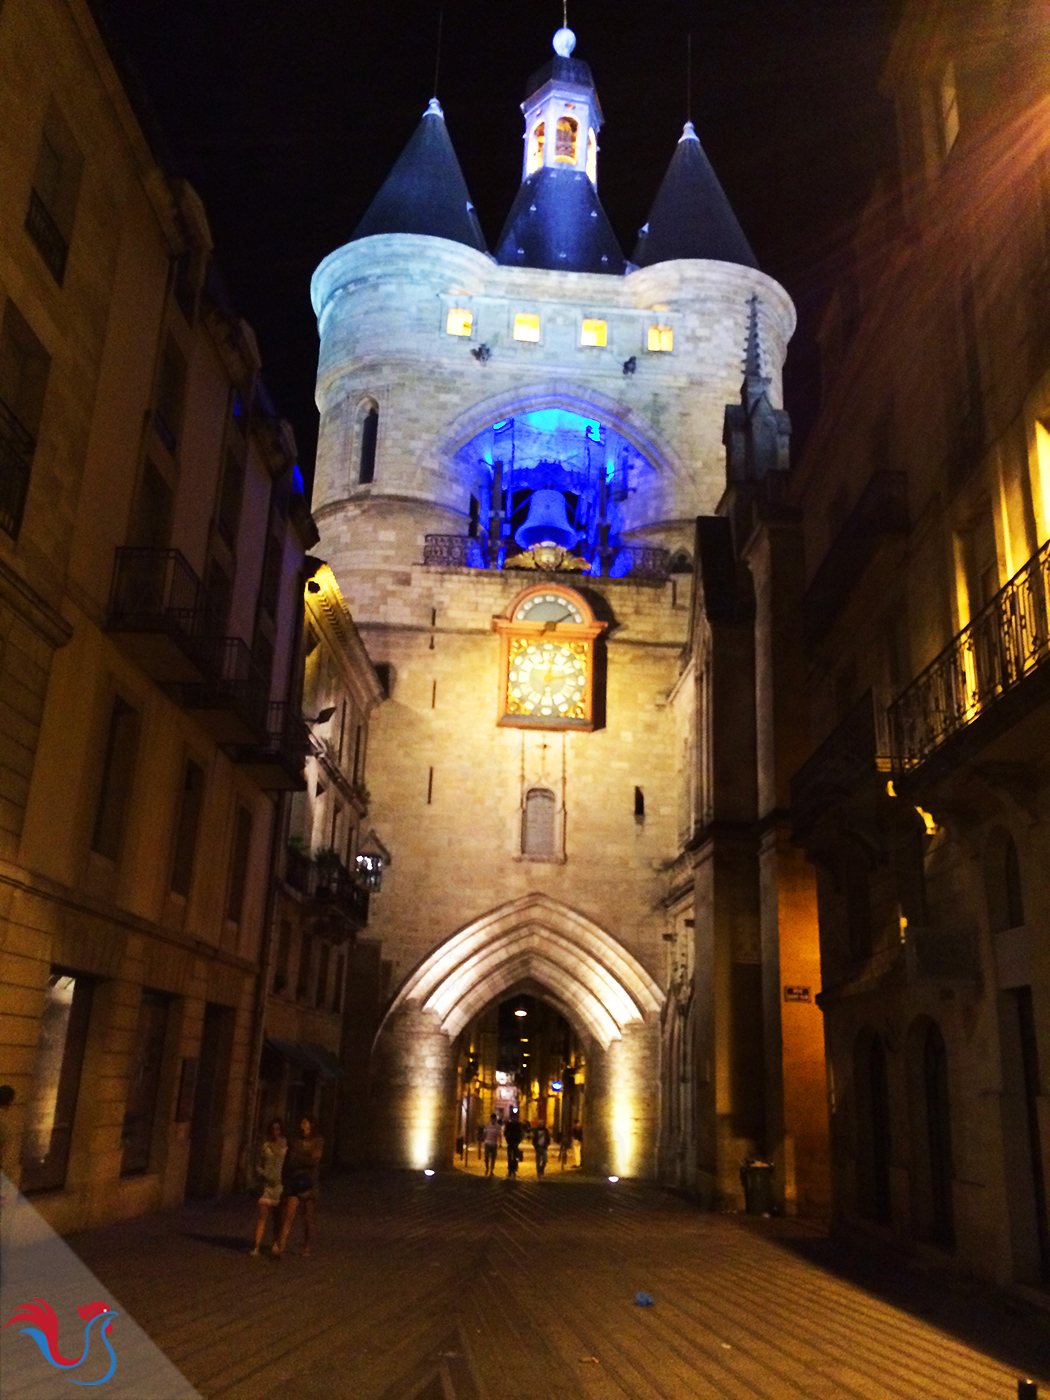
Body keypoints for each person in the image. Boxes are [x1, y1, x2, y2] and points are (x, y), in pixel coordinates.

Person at [273, 1115, 323, 1258]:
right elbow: (290, 1159)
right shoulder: (296, 1141)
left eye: (305, 1122)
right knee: (289, 1214)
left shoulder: (317, 1141)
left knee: (307, 1216)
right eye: (302, 1122)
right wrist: (303, 1160)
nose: (302, 1125)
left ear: (311, 1125)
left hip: (308, 1182)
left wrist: (300, 1159)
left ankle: (307, 1244)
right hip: (295, 1180)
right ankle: (281, 1245)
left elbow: (314, 1160)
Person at [249, 1118, 286, 1256]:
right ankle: (256, 1245)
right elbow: (257, 1164)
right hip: (266, 1186)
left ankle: (276, 1243)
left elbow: (288, 1164)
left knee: (277, 1218)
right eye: (273, 1129)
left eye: (277, 1128)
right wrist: (264, 1175)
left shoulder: (286, 1146)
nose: (275, 1131)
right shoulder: (265, 1146)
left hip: (280, 1186)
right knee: (262, 1215)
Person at [503, 1112, 524, 1178]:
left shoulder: (517, 1125)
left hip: (515, 1142)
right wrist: (507, 1139)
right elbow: (505, 1133)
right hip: (510, 1142)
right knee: (510, 1156)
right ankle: (510, 1169)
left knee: (514, 1156)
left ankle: (514, 1169)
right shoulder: (510, 1125)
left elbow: (520, 1134)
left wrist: (518, 1140)